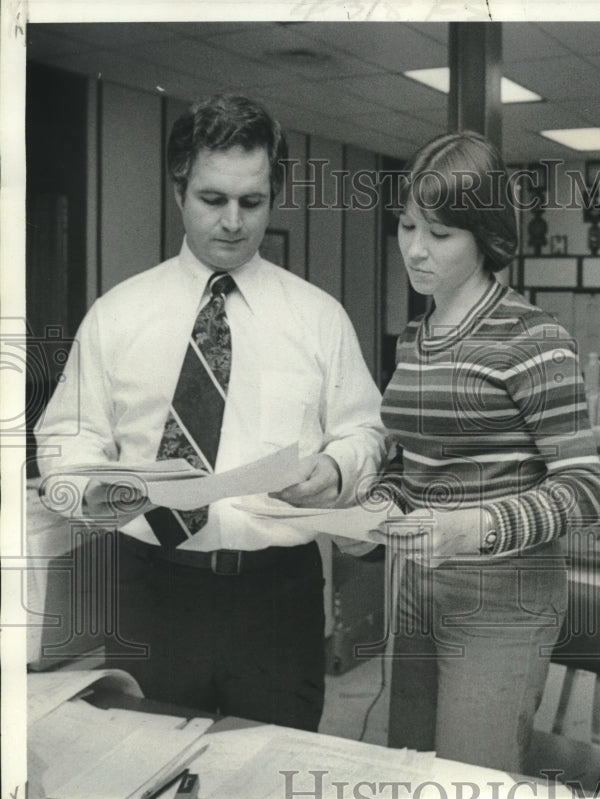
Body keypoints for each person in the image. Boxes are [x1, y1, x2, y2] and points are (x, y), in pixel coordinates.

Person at [34, 94, 386, 732]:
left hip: (278, 596)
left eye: (251, 203)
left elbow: (365, 429)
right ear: (178, 190)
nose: (232, 221)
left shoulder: (317, 317)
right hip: (152, 590)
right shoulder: (117, 315)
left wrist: (336, 470)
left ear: (273, 195)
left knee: (272, 775)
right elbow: (64, 441)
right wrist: (92, 492)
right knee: (147, 775)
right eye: (212, 200)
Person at [376, 132, 600, 773]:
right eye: (407, 226)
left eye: (441, 234)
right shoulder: (415, 335)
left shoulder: (531, 337)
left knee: (465, 785)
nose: (415, 250)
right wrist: (374, 506)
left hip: (502, 593)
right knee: (410, 769)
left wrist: (472, 528)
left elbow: (585, 490)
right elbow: (412, 463)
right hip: (420, 582)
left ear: (484, 237)